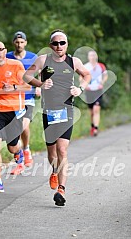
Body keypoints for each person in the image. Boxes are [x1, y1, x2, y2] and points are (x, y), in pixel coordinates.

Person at [23, 29, 91, 206]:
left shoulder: (73, 61)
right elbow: (26, 75)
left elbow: (87, 75)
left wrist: (80, 89)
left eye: (62, 43)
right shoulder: (43, 60)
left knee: (62, 150)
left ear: (67, 44)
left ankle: (61, 189)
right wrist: (41, 84)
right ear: (50, 45)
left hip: (67, 110)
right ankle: (54, 170)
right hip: (49, 112)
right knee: (52, 152)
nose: (59, 46)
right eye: (55, 43)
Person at [0, 40, 30, 193]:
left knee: (11, 147)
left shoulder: (16, 66)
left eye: (1, 50)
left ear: (5, 50)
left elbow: (28, 86)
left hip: (14, 111)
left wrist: (14, 87)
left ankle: (18, 152)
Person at [6, 31, 39, 175]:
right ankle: (24, 152)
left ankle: (23, 152)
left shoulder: (33, 57)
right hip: (12, 98)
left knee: (22, 125)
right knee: (21, 128)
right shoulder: (7, 57)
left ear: (26, 43)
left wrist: (38, 86)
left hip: (28, 97)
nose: (19, 44)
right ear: (14, 43)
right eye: (17, 42)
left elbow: (42, 72)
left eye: (22, 42)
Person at [84, 50, 108, 136]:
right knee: (91, 112)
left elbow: (105, 75)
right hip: (89, 91)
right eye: (91, 55)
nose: (93, 57)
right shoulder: (85, 66)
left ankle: (96, 129)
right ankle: (92, 126)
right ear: (88, 57)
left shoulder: (101, 66)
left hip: (98, 90)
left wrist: (102, 83)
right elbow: (81, 77)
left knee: (96, 109)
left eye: (94, 55)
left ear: (96, 57)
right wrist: (84, 85)